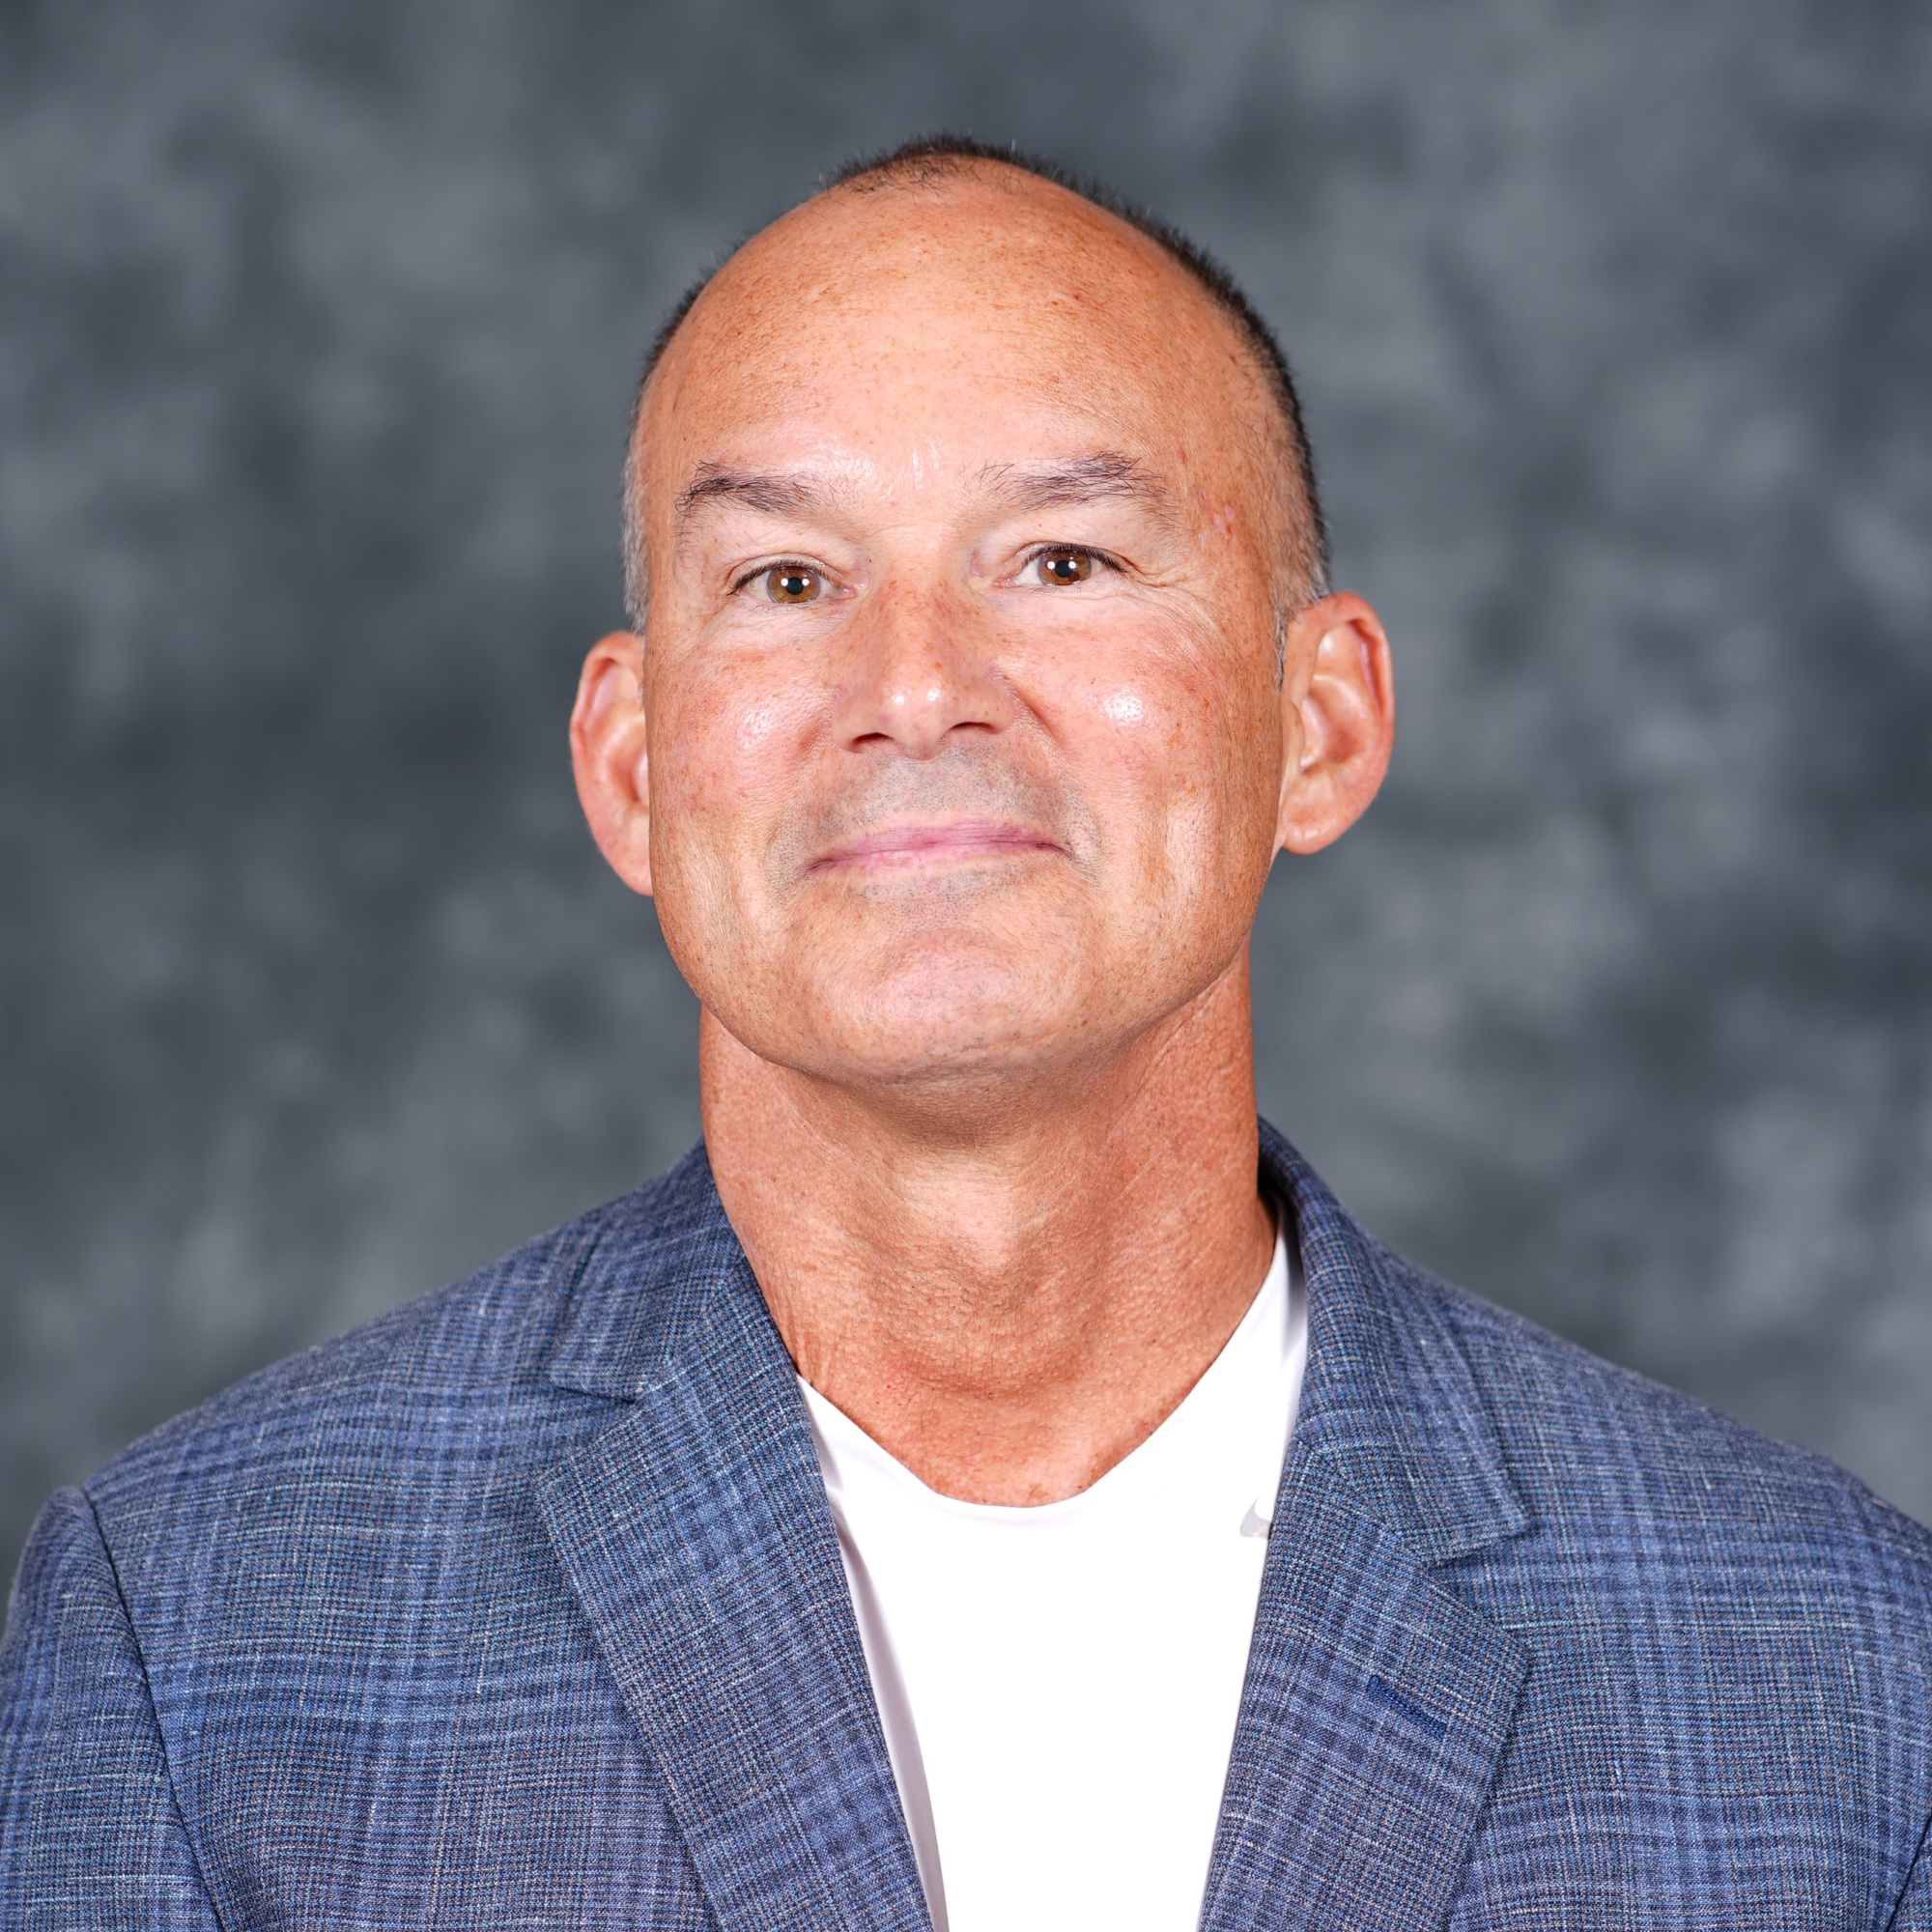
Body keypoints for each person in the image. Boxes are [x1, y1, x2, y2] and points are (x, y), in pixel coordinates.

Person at [2, 134, 1928, 1931]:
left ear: (1320, 724)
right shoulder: (197, 1634)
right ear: (632, 767)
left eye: (1062, 561)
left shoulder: (1837, 1674)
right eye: (786, 580)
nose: (916, 689)